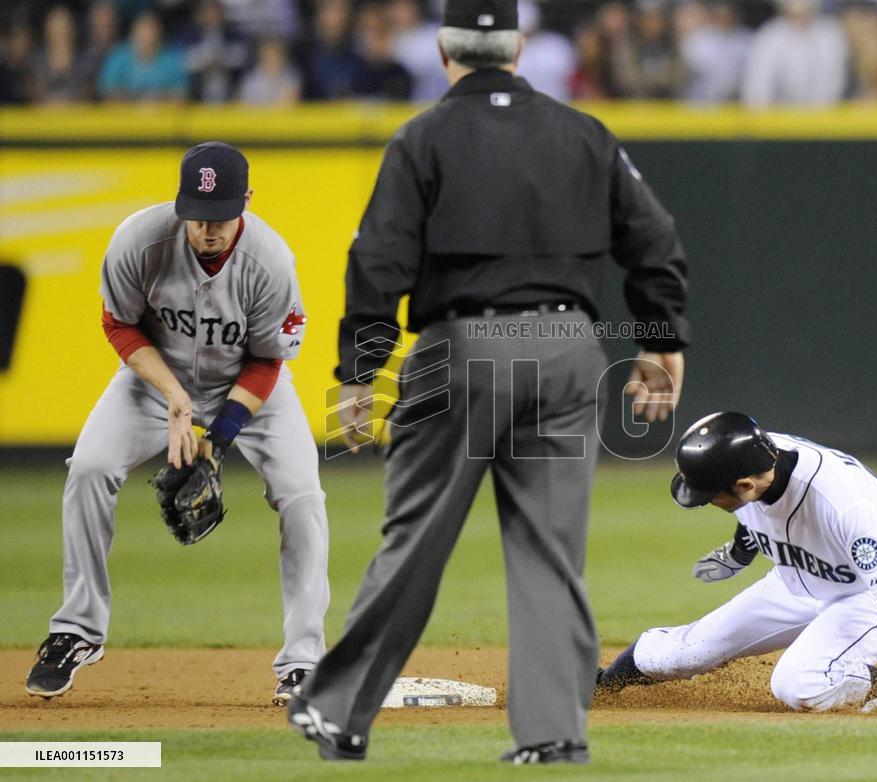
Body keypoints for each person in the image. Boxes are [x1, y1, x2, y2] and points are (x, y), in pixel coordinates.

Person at [287, 0, 690, 765]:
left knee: (415, 540)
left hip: (460, 345)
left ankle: (339, 713)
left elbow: (377, 261)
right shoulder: (584, 133)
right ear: (520, 48)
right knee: (550, 553)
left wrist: (359, 372)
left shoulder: (422, 137)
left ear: (444, 51)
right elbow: (656, 241)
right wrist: (661, 339)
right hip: (568, 348)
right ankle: (555, 734)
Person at [24, 142, 330, 708]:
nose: (208, 229)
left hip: (247, 385)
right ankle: (78, 630)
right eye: (197, 215)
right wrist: (174, 396)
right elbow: (118, 324)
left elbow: (268, 360)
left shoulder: (270, 262)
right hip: (154, 381)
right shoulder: (139, 241)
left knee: (303, 495)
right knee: (89, 467)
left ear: (247, 201)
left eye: (221, 217)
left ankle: (303, 661)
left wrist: (220, 439)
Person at [597, 412, 877, 714]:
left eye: (711, 496)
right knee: (687, 651)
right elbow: (756, 518)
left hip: (873, 592)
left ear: (744, 486)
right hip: (801, 578)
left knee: (798, 683)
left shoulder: (842, 502)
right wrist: (739, 553)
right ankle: (600, 684)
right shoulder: (750, 461)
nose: (708, 502)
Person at [98, 11, 188, 102]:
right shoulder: (119, 56)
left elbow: (181, 94)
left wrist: (156, 100)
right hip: (123, 110)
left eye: (152, 31)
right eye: (143, 31)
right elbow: (106, 90)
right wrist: (134, 100)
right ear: (133, 33)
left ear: (160, 34)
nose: (148, 36)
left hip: (162, 110)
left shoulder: (172, 59)